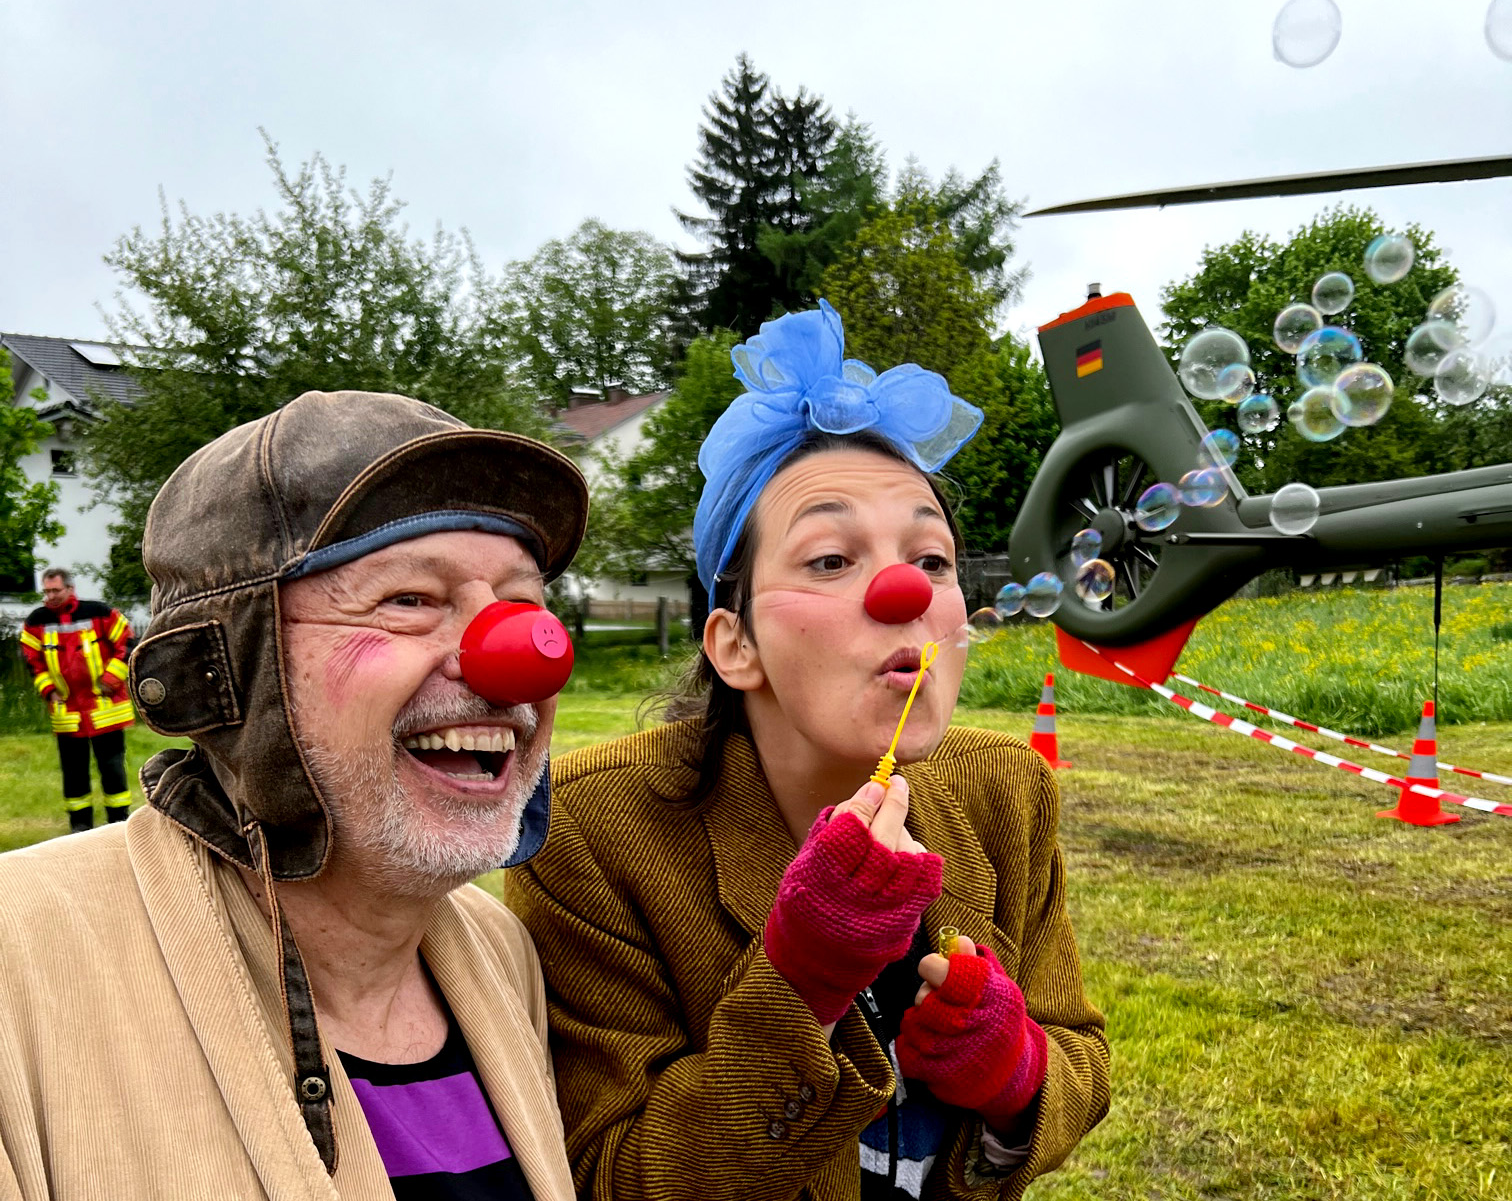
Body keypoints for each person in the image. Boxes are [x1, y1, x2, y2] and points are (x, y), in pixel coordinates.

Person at [508, 302, 1110, 1200]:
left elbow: (1079, 1057)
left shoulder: (1007, 789)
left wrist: (1017, 1077)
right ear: (735, 645)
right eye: (830, 559)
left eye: (932, 559)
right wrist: (803, 979)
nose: (906, 592)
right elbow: (614, 1180)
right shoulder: (593, 832)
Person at [0, 390, 587, 1200]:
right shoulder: (15, 964)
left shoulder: (501, 952)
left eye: (522, 605)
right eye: (410, 600)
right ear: (227, 667)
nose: (514, 659)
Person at [19, 567, 136, 830]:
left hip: (106, 710)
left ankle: (118, 823)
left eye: (55, 590)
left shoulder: (100, 612)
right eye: (46, 591)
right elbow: (31, 660)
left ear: (70, 589)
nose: (50, 596)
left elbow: (127, 643)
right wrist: (49, 690)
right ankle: (79, 826)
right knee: (73, 774)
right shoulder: (36, 621)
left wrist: (111, 680)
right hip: (68, 713)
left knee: (112, 770)